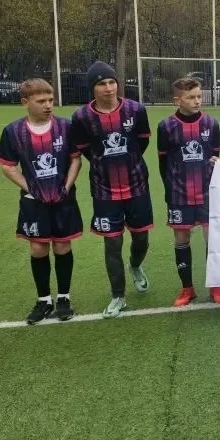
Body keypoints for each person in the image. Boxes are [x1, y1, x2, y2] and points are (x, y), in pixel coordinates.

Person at [0, 79, 83, 324]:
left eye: (51, 100)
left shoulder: (65, 126)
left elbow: (76, 159)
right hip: (34, 202)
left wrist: (66, 187)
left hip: (62, 198)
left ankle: (64, 298)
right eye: (41, 101)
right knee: (38, 248)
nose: (48, 105)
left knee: (62, 246)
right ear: (25, 102)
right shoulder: (13, 131)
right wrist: (31, 189)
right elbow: (8, 166)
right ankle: (44, 300)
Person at [70, 61, 153, 318]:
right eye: (102, 84)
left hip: (137, 185)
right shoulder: (81, 117)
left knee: (141, 238)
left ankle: (135, 265)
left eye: (112, 82)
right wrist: (105, 164)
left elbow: (142, 142)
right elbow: (85, 149)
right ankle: (118, 296)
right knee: (112, 242)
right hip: (104, 190)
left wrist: (127, 162)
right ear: (92, 89)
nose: (108, 88)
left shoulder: (136, 110)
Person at [157, 77, 220, 307]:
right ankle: (187, 288)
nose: (197, 101)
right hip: (179, 195)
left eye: (199, 96)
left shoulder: (211, 123)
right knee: (181, 239)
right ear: (177, 100)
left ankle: (215, 285)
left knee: (212, 239)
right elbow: (163, 163)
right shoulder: (166, 127)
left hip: (207, 193)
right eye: (191, 97)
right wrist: (170, 190)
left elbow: (214, 155)